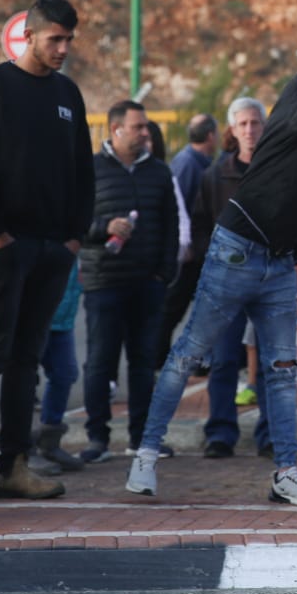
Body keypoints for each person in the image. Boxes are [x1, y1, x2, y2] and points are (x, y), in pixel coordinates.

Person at [127, 39, 297, 506]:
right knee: (189, 353)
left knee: (283, 370)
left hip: (280, 260)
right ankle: (146, 455)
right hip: (236, 248)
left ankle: (286, 472)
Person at [0, 0, 94, 505]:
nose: (64, 48)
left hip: (54, 248)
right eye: (55, 38)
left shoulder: (68, 93)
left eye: (69, 39)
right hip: (5, 247)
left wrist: (74, 236)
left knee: (26, 360)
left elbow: (82, 169)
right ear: (27, 36)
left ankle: (14, 465)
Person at [77, 101, 179, 463]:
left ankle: (142, 438)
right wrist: (104, 227)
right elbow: (75, 221)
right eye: (138, 127)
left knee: (143, 363)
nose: (145, 133)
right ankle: (97, 439)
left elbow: (171, 225)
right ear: (115, 129)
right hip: (104, 282)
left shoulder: (158, 172)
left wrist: (164, 273)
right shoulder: (90, 169)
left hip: (147, 284)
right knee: (100, 362)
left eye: (145, 126)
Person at [190, 97, 271, 459]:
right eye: (243, 124)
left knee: (271, 361)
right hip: (226, 283)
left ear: (265, 127)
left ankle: (271, 434)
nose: (250, 130)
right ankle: (220, 433)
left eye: (255, 123)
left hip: (269, 279)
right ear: (232, 130)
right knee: (223, 359)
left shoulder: (279, 171)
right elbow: (199, 226)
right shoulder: (214, 176)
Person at [159, 113, 218, 362]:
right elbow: (178, 206)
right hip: (189, 252)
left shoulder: (199, 162)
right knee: (173, 307)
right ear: (211, 135)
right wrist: (185, 242)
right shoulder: (187, 164)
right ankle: (157, 357)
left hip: (199, 248)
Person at [34, 263, 84, 472]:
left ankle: (49, 442)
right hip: (34, 316)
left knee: (65, 373)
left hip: (63, 319)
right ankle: (21, 451)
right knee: (23, 378)